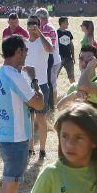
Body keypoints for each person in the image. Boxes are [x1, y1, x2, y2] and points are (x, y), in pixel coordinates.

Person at [0, 35, 45, 193]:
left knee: (11, 184)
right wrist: (34, 80)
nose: (26, 54)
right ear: (17, 52)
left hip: (5, 134)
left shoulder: (1, 72)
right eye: (24, 50)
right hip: (15, 138)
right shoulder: (17, 77)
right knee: (10, 185)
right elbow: (38, 104)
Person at [24, 15, 54, 159]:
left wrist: (39, 33)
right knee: (29, 118)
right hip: (26, 85)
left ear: (40, 25)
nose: (33, 26)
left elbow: (50, 49)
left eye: (35, 24)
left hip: (41, 85)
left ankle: (42, 149)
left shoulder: (45, 40)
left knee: (41, 119)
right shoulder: (24, 43)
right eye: (30, 23)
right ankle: (30, 148)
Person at [59, 46, 97, 111]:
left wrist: (89, 67)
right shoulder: (74, 86)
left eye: (89, 60)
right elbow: (59, 108)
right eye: (81, 59)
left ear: (95, 63)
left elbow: (83, 86)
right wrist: (73, 95)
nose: (84, 63)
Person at [57, 16, 76, 83]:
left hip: (68, 58)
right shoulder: (56, 33)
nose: (68, 24)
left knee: (71, 76)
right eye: (66, 22)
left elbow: (71, 45)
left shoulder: (68, 33)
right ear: (62, 23)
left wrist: (73, 56)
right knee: (54, 76)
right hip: (59, 58)